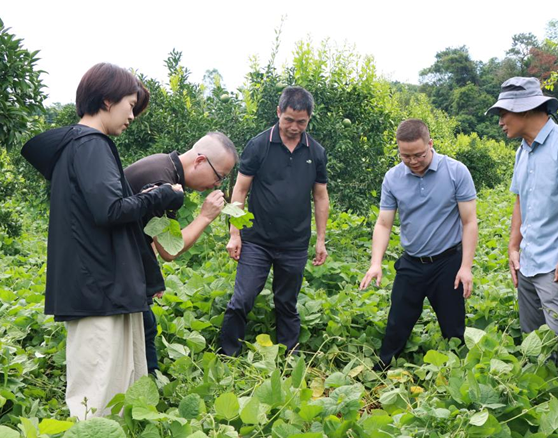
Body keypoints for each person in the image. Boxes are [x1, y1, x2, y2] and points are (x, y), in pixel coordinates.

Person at [21, 63, 184, 419]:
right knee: (98, 395)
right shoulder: (91, 145)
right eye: (130, 104)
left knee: (112, 388)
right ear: (108, 100)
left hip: (98, 284)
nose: (132, 115)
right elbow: (110, 210)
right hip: (98, 286)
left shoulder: (79, 146)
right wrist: (162, 195)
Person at [486, 76, 558, 371]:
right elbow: (519, 200)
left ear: (523, 110)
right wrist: (513, 247)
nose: (500, 121)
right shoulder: (523, 151)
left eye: (503, 113)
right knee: (533, 341)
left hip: (556, 264)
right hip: (529, 261)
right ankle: (544, 400)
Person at [360, 119, 478, 370]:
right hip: (412, 262)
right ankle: (382, 370)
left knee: (453, 326)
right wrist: (375, 263)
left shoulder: (456, 172)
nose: (413, 161)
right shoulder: (393, 178)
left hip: (448, 262)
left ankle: (458, 375)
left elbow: (469, 221)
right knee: (397, 322)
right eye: (405, 156)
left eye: (418, 155)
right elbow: (383, 223)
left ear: (430, 144)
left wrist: (465, 266)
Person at [220, 86, 329, 355]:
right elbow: (240, 190)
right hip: (257, 239)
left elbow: (321, 197)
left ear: (309, 119)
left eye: (301, 122)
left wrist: (321, 240)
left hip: (294, 243)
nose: (294, 127)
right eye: (289, 119)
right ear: (279, 112)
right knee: (242, 299)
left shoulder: (315, 152)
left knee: (287, 303)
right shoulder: (259, 145)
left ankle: (288, 358)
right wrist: (235, 233)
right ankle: (227, 354)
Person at [124, 133, 238, 373]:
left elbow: (151, 240)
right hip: (114, 274)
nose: (218, 185)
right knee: (143, 338)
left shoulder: (163, 166)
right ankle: (146, 392)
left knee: (144, 330)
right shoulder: (162, 181)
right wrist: (205, 216)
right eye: (220, 177)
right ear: (199, 161)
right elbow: (169, 249)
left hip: (121, 269)